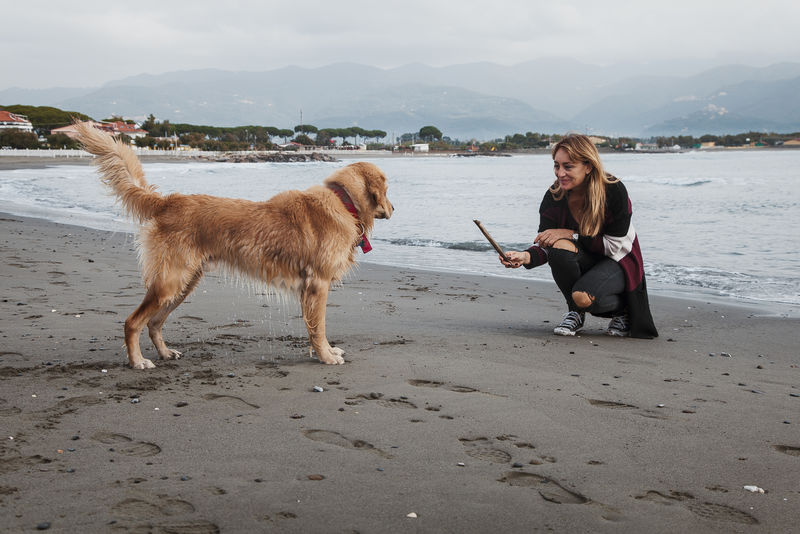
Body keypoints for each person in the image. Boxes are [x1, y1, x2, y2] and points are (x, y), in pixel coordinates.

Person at [500, 134, 658, 339]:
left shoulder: (613, 190)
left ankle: (623, 310)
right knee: (558, 249)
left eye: (568, 166)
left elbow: (614, 246)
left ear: (588, 166)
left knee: (583, 297)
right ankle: (575, 312)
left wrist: (570, 233)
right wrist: (524, 257)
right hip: (587, 257)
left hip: (619, 261)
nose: (560, 173)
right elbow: (548, 242)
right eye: (556, 166)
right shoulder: (554, 194)